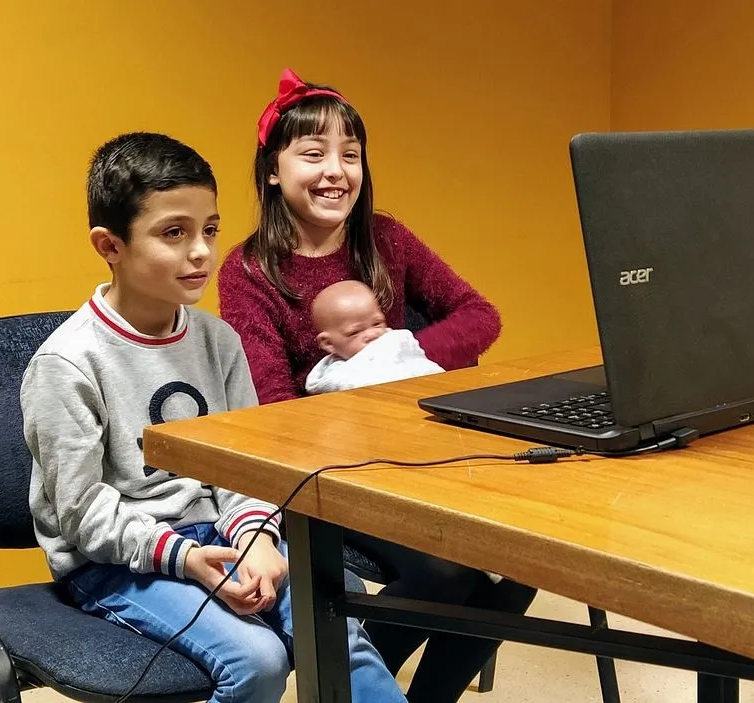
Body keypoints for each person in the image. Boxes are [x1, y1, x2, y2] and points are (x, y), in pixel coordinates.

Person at [20, 132, 406, 703]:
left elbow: (244, 466)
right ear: (110, 245)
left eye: (209, 230)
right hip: (117, 557)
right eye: (174, 233)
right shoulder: (67, 363)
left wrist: (255, 537)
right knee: (256, 660)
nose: (201, 251)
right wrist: (186, 558)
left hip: (224, 535)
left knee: (338, 634)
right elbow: (80, 512)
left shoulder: (218, 341)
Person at [218, 69, 537, 703]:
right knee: (450, 571)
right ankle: (342, 687)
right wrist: (358, 399)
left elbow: (481, 316)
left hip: (421, 456)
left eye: (350, 155)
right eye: (313, 154)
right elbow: (274, 410)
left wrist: (401, 355)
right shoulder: (249, 270)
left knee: (524, 563)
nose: (335, 170)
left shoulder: (385, 238)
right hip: (330, 474)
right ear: (273, 171)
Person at [305, 279, 443, 394]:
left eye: (377, 323)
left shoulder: (396, 340)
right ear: (328, 343)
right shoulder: (333, 374)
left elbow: (418, 362)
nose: (372, 334)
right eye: (355, 332)